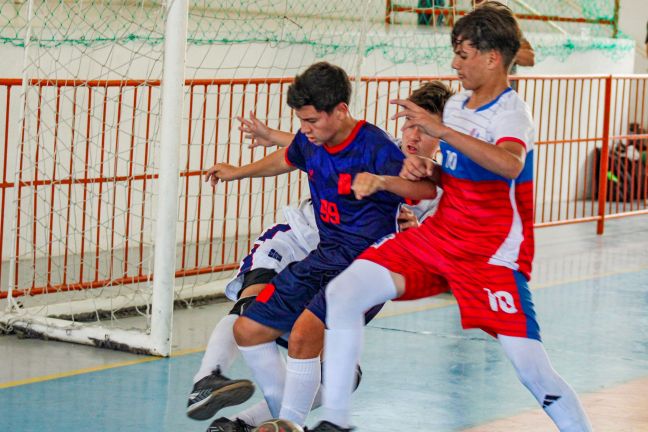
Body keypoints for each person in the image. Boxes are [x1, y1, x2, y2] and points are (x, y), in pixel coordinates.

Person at [309, 3, 592, 432]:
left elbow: (510, 163)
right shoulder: (457, 105)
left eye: (462, 54)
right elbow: (456, 171)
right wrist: (430, 169)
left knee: (533, 370)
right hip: (438, 240)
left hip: (490, 257)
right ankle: (335, 421)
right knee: (344, 292)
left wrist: (441, 132)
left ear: (492, 58)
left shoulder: (512, 113)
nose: (454, 64)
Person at [200, 62, 439, 431]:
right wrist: (238, 171)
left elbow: (426, 190)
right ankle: (282, 415)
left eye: (311, 120)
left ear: (340, 110)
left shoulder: (376, 147)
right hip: (325, 254)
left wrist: (383, 184)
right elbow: (289, 154)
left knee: (303, 336)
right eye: (301, 121)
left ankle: (287, 420)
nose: (305, 129)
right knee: (247, 329)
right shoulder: (311, 140)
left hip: (366, 265)